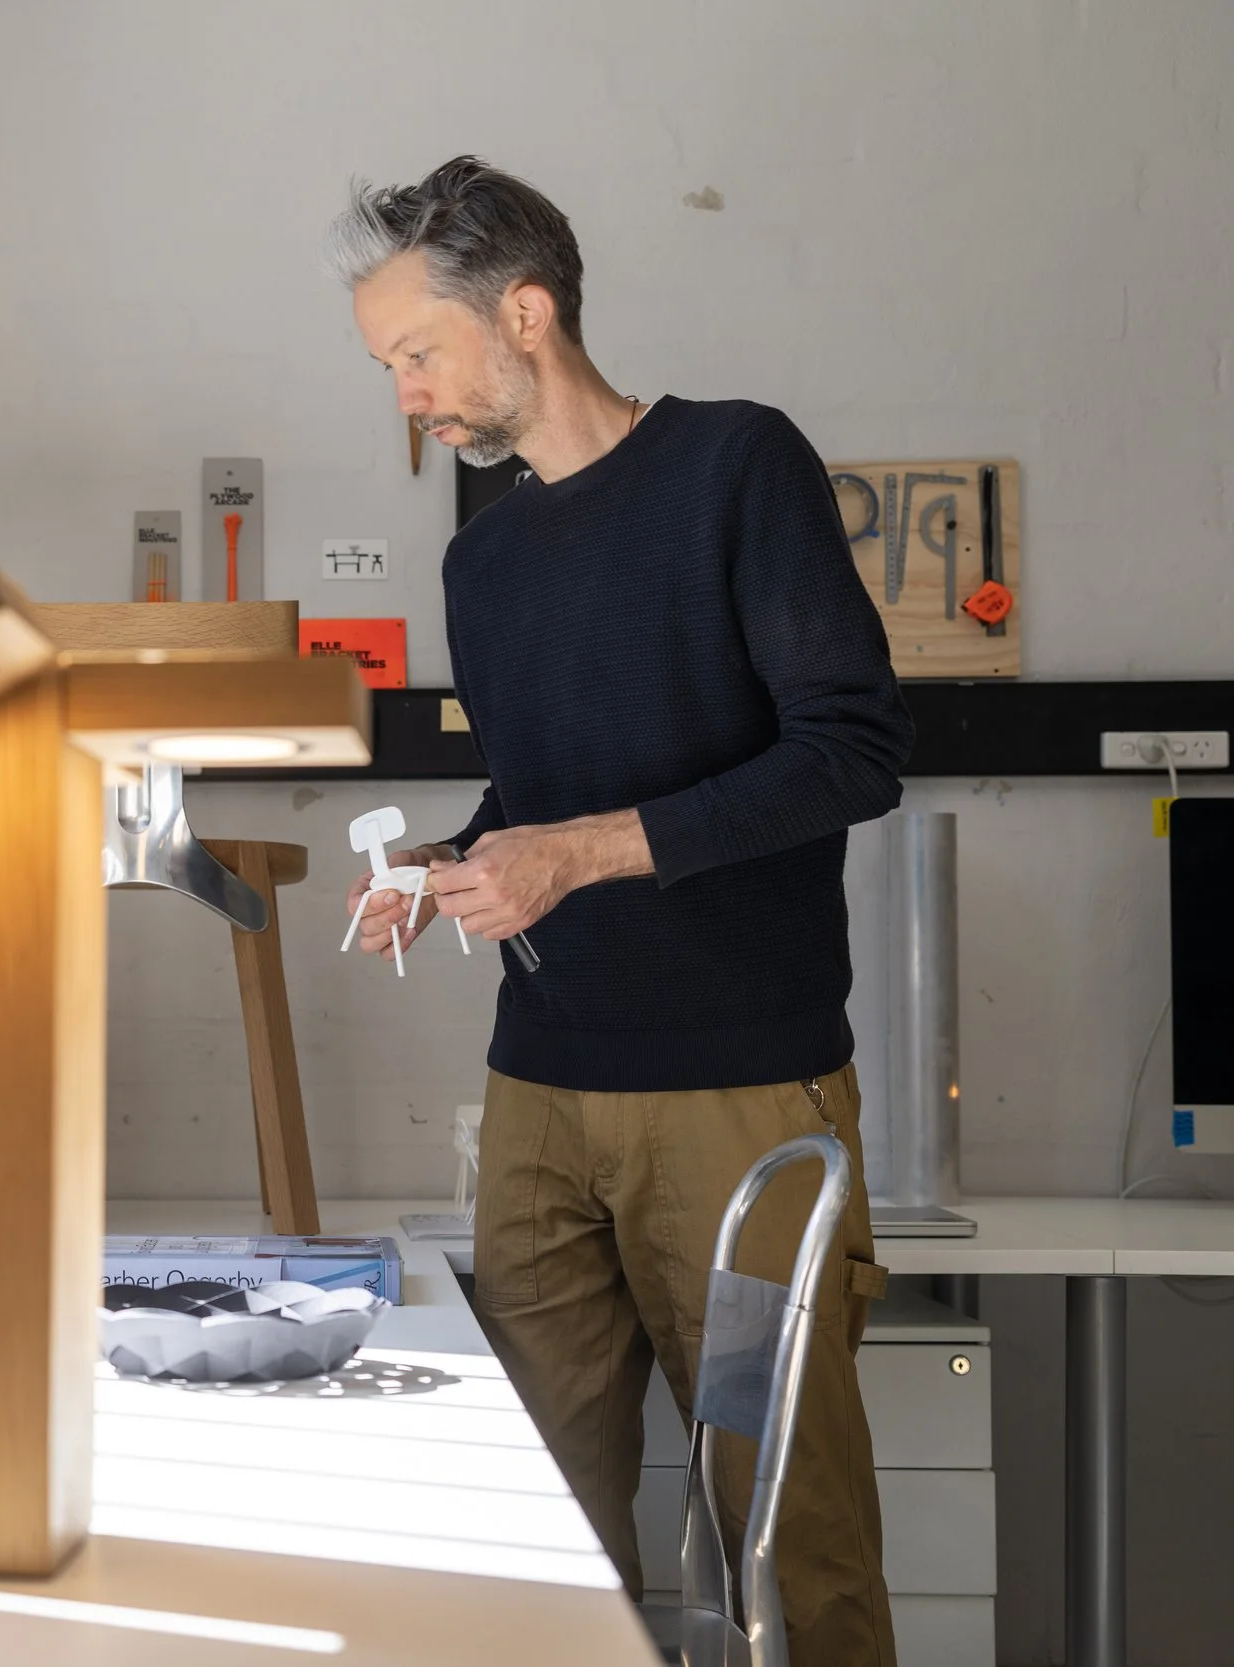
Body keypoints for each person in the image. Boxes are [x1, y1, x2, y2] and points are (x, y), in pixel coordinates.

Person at [329, 156, 913, 1664]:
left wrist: (571, 855)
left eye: (416, 355)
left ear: (525, 314)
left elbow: (850, 752)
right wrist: (435, 864)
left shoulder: (735, 467)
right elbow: (536, 802)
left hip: (737, 1096)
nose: (406, 397)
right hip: (538, 1099)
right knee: (532, 1546)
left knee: (780, 1542)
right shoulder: (484, 556)